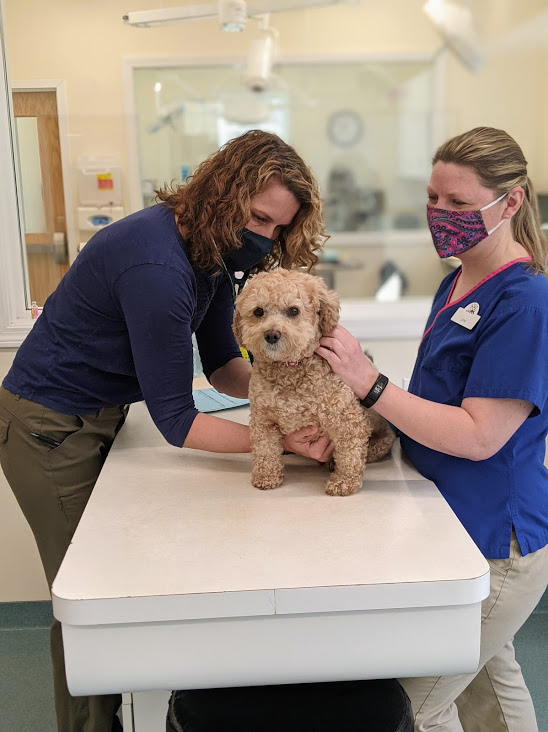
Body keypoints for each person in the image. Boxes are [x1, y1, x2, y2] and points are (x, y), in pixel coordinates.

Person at [0, 129, 332, 732]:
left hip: (100, 416)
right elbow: (177, 421)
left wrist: (298, 388)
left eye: (278, 229)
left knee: (121, 582)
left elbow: (226, 368)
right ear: (222, 192)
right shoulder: (157, 263)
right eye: (258, 218)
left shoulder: (207, 252)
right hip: (47, 426)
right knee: (85, 599)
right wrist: (281, 442)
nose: (264, 238)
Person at [316, 127, 548, 732]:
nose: (440, 215)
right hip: (447, 523)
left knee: (413, 708)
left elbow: (478, 436)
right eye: (433, 199)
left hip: (497, 538)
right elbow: (428, 404)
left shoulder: (526, 302)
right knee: (489, 688)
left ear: (513, 202)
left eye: (460, 204)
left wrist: (369, 384)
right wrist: (359, 425)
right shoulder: (457, 280)